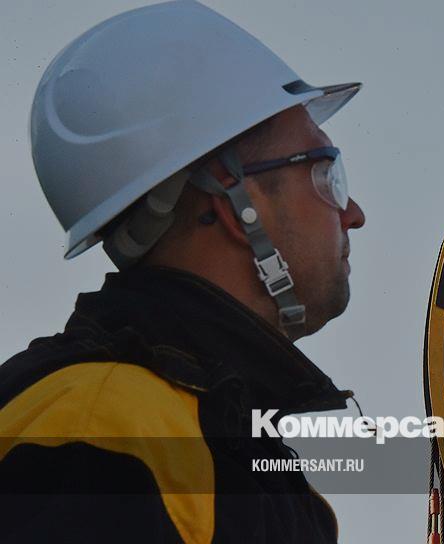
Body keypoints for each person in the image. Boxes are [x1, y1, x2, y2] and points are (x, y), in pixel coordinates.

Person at [0, 2, 364, 542]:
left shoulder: (240, 462)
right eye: (325, 173)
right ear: (236, 203)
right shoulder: (105, 432)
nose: (353, 213)